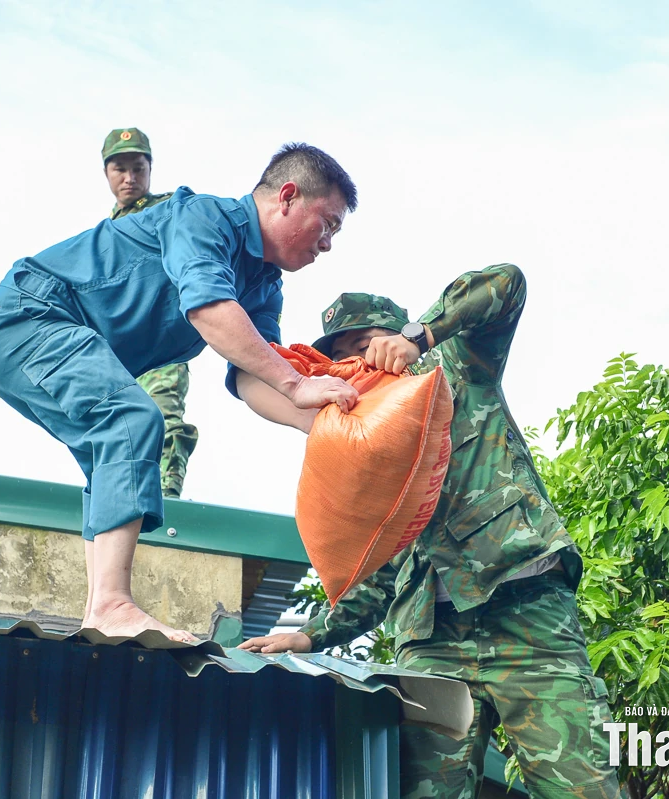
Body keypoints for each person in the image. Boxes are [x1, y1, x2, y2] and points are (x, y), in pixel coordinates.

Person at [240, 265, 622, 798]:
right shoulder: (363, 434)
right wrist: (311, 635)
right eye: (346, 349)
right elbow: (381, 566)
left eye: (368, 340)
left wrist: (418, 336)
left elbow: (506, 283)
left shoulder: (459, 367)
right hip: (433, 640)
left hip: (527, 617)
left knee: (583, 787)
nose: (360, 357)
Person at [0, 143, 359, 643]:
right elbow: (209, 309)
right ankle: (114, 604)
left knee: (112, 448)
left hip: (52, 339)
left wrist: (326, 425)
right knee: (131, 420)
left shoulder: (263, 284)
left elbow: (254, 373)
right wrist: (300, 384)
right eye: (327, 223)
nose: (328, 243)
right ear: (287, 196)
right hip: (27, 317)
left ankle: (99, 612)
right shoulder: (203, 218)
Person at [100, 127, 197, 499]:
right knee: (121, 428)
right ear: (106, 173)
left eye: (138, 168)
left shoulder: (170, 209)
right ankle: (125, 500)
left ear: (150, 169)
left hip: (162, 341)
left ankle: (168, 499)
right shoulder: (106, 230)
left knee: (162, 418)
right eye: (119, 169)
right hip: (119, 347)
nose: (130, 178)